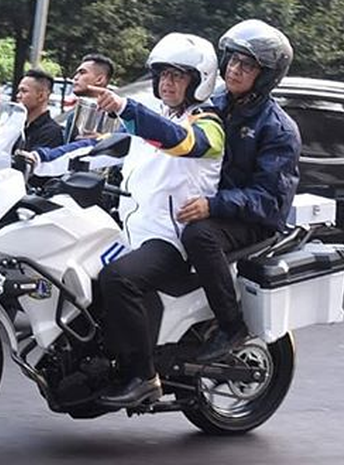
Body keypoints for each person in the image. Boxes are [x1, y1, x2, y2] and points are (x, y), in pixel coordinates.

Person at [26, 33, 224, 408]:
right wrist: (39, 158)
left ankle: (144, 376)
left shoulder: (207, 125)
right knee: (76, 272)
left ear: (199, 81)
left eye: (178, 76)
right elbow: (95, 149)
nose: (167, 82)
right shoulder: (154, 120)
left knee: (119, 279)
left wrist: (127, 109)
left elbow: (181, 142)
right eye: (163, 74)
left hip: (172, 240)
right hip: (132, 232)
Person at [178, 19, 301, 363]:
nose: (234, 69)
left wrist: (213, 205)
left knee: (199, 236)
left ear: (266, 75)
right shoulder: (214, 102)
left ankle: (231, 325)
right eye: (232, 60)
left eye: (246, 65)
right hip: (213, 202)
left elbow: (268, 199)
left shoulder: (277, 128)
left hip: (253, 217)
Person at [64, 53, 116, 142]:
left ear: (99, 80)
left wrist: (105, 140)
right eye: (76, 73)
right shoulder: (72, 116)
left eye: (82, 73)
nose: (75, 78)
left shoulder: (118, 116)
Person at [16, 69, 64, 151]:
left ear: (41, 96)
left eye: (24, 91)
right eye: (18, 91)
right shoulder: (19, 125)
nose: (18, 96)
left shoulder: (51, 132)